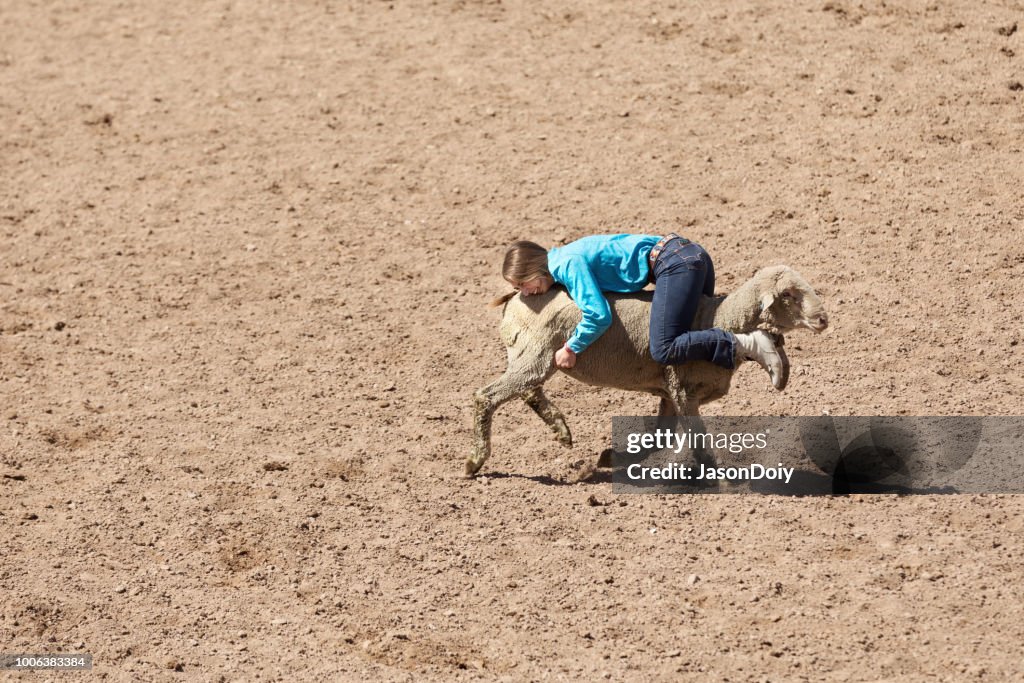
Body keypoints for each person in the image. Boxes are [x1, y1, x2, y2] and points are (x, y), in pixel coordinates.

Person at [499, 234, 784, 388]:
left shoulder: (565, 265)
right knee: (694, 339)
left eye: (522, 284)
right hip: (689, 253)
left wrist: (571, 347)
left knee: (664, 348)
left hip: (674, 265)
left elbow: (598, 314)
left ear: (533, 268)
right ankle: (757, 341)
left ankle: (750, 342)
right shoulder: (566, 255)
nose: (525, 292)